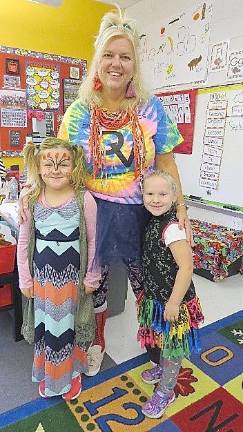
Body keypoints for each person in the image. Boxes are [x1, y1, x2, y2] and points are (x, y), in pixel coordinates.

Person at [19, 8, 192, 376]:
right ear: (98, 61)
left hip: (143, 214)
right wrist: (31, 190)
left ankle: (154, 342)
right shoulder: (80, 111)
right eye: (109, 55)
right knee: (93, 283)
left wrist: (181, 211)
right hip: (92, 211)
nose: (117, 64)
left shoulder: (150, 107)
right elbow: (56, 161)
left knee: (148, 282)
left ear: (134, 64)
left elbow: (167, 161)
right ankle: (95, 342)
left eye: (125, 56)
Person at [17, 137, 101, 400]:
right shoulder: (31, 200)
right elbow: (23, 240)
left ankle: (72, 373)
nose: (55, 170)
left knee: (69, 327)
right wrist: (24, 279)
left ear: (74, 165)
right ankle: (50, 374)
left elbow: (94, 240)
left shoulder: (83, 199)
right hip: (42, 281)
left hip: (72, 282)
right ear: (38, 167)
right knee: (47, 328)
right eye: (48, 164)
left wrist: (92, 274)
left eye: (63, 164)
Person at [137, 170, 204, 419]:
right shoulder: (152, 221)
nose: (156, 199)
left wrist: (175, 302)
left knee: (172, 347)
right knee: (160, 340)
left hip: (174, 301)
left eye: (163, 194)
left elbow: (187, 267)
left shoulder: (173, 229)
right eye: (150, 193)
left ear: (174, 196)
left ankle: (167, 391)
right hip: (157, 298)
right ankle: (163, 370)